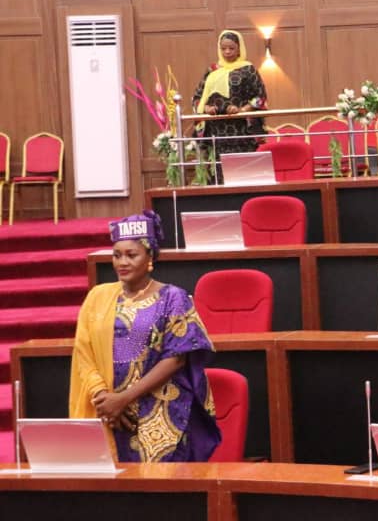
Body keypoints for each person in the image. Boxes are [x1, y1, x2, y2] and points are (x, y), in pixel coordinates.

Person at [69, 211, 221, 462]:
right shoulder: (98, 297)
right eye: (116, 255)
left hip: (160, 412)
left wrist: (124, 399)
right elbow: (84, 352)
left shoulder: (173, 298)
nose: (122, 263)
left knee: (159, 494)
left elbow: (177, 359)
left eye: (131, 255)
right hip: (108, 413)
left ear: (150, 257)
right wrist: (104, 400)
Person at [192, 30, 268, 157]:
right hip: (216, 132)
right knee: (218, 172)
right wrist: (206, 108)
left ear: (239, 49)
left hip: (242, 131)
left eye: (231, 48)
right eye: (223, 48)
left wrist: (242, 110)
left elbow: (260, 97)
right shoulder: (212, 70)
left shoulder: (248, 69)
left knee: (243, 170)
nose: (227, 51)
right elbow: (196, 98)